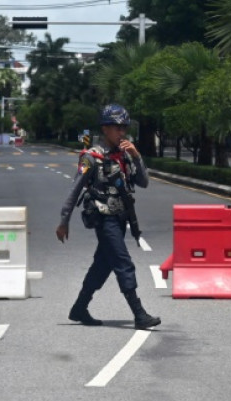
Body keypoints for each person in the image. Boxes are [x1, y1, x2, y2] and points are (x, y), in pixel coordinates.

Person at [56, 104, 162, 330]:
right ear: (105, 129)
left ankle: (79, 308)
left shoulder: (124, 154)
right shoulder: (92, 157)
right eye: (116, 128)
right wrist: (64, 221)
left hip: (121, 218)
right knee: (124, 263)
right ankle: (139, 314)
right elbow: (75, 189)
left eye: (123, 127)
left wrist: (136, 155)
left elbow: (143, 182)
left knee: (102, 267)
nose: (121, 132)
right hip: (104, 219)